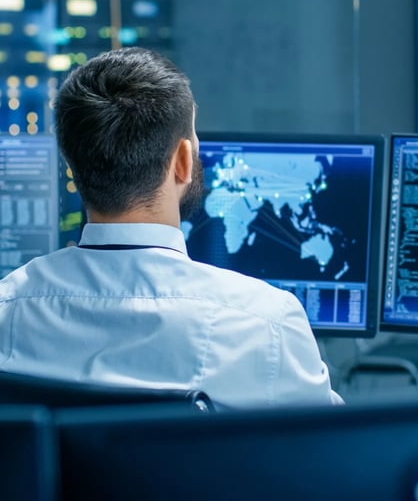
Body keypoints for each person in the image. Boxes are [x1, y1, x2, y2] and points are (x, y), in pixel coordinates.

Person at [0, 46, 342, 409]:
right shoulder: (266, 323)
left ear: (73, 167)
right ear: (182, 161)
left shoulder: (8, 309)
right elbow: (333, 456)